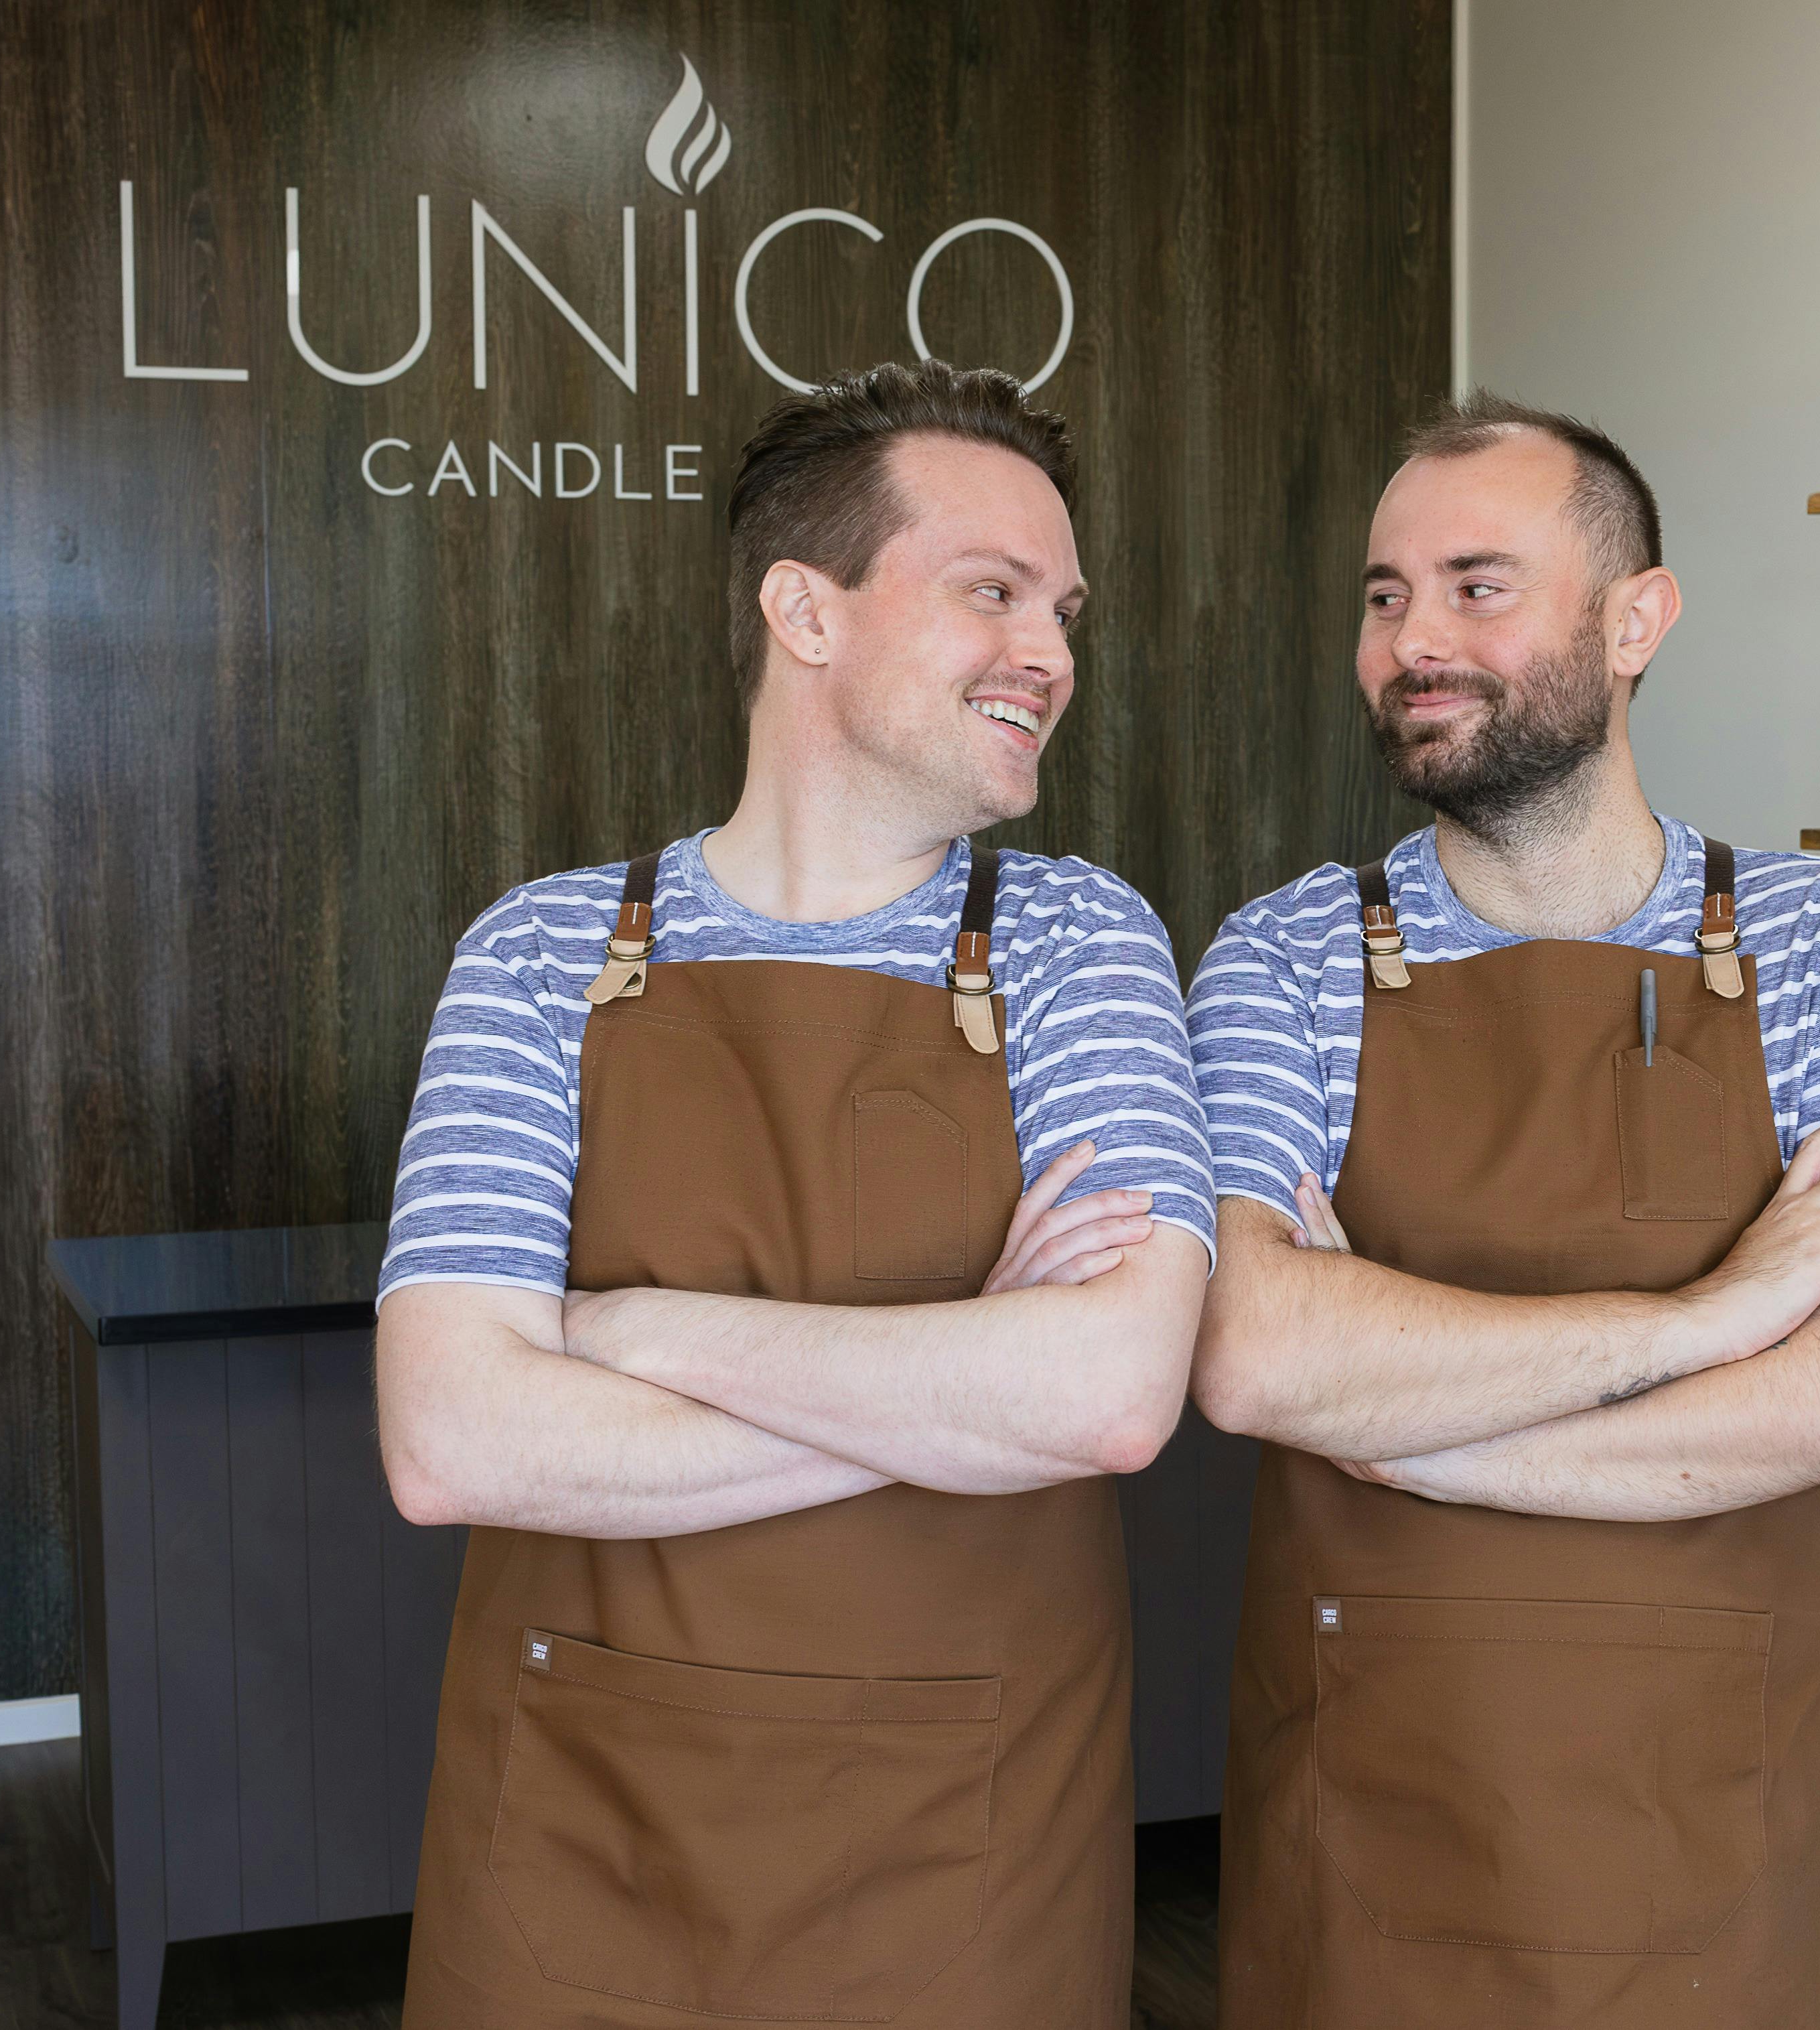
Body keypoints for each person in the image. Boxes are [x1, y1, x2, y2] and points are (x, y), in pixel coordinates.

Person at [375, 360, 1215, 2029]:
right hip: (580, 1836)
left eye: (1064, 607)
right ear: (802, 611)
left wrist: (622, 1333)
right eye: (990, 591)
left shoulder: (1078, 940)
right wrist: (957, 1374)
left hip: (964, 1856)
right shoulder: (536, 953)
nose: (1049, 653)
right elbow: (452, 1441)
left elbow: (1111, 1396)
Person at [1186, 392, 1820, 2027]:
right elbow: (1257, 1355)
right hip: (1369, 1813)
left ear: (1635, 620)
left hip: (1704, 1824)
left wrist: (1412, 1433)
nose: (1412, 640)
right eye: (1383, 595)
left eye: (1479, 585)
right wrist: (1704, 1325)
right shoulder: (1279, 955)